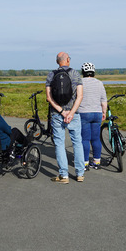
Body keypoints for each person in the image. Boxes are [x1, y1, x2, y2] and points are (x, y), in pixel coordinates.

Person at [46, 52, 84, 183]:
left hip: (57, 114)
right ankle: (79, 174)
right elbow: (80, 96)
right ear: (68, 60)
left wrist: (62, 112)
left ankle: (64, 175)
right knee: (77, 143)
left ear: (57, 62)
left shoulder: (51, 74)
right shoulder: (75, 74)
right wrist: (71, 112)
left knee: (59, 144)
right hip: (74, 114)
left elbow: (49, 97)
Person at [78, 62, 107, 170]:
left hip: (84, 113)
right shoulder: (99, 83)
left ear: (83, 72)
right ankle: (96, 162)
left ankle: (85, 163)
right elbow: (103, 100)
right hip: (97, 113)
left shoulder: (79, 82)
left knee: (85, 139)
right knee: (95, 139)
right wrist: (103, 112)